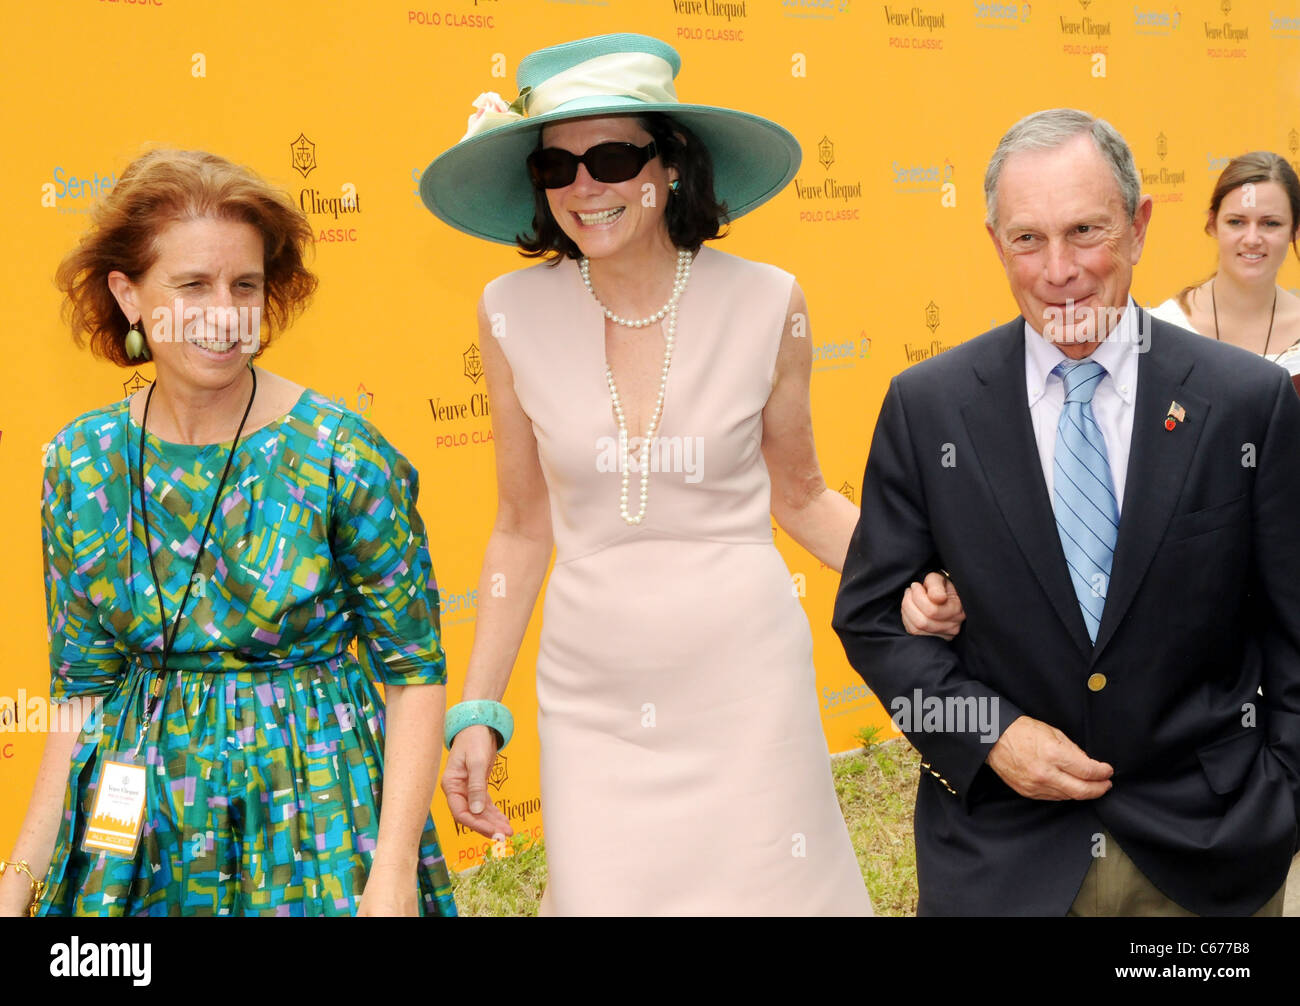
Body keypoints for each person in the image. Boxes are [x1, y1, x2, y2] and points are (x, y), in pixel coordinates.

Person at [417, 32, 964, 914]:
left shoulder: (767, 300)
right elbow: (521, 526)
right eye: (557, 168)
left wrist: (921, 577)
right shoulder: (507, 310)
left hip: (745, 684)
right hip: (591, 695)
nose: (583, 187)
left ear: (669, 165)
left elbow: (802, 497)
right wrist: (477, 710)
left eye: (612, 156)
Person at [833, 108, 1300, 916]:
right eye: (1027, 239)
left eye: (1086, 231)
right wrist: (989, 735)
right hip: (1002, 858)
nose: (1059, 271)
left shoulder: (1245, 404)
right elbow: (873, 621)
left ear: (1140, 226)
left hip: (1210, 855)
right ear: (994, 242)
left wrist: (1283, 797)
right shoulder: (929, 408)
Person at [0, 149, 456, 917]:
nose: (226, 311)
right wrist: (18, 879)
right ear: (128, 294)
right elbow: (81, 694)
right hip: (136, 836)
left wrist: (391, 874)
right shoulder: (80, 463)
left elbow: (413, 673)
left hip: (318, 822)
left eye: (246, 285)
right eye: (191, 285)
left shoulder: (339, 455)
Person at [1150, 152, 1300, 375]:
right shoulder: (1164, 328)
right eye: (1236, 222)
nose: (1252, 239)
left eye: (1270, 223)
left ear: (1294, 230)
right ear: (1212, 224)